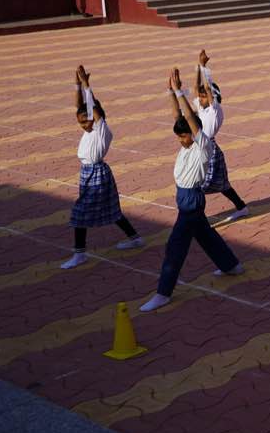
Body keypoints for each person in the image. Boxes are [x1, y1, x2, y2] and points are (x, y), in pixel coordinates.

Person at [140, 69, 244, 312]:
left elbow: (189, 118)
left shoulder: (202, 146)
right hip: (184, 196)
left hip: (191, 200)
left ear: (194, 133)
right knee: (205, 235)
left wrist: (180, 92)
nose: (181, 141)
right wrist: (171, 93)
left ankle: (163, 292)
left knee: (175, 247)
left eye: (184, 137)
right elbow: (178, 117)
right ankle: (231, 265)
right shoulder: (186, 144)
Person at [63, 65, 141, 269]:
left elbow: (92, 109)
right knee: (112, 210)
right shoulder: (89, 128)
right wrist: (78, 85)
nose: (82, 125)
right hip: (87, 173)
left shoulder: (101, 129)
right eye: (80, 122)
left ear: (94, 117)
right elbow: (80, 106)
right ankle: (135, 238)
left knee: (80, 213)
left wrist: (87, 85)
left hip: (97, 174)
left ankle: (79, 254)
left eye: (84, 121)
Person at [190, 50, 250, 224]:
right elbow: (196, 88)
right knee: (222, 184)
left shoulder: (215, 110)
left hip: (210, 149)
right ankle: (241, 207)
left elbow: (207, 88)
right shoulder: (203, 109)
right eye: (201, 96)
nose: (200, 98)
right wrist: (198, 67)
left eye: (204, 97)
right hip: (203, 147)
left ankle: (198, 217)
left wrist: (204, 67)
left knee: (200, 185)